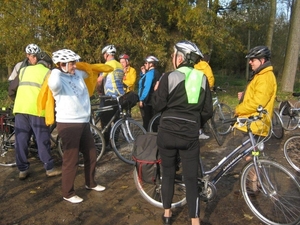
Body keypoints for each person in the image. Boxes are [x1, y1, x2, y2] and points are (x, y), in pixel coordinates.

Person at [152, 40, 213, 225]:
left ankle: (168, 215)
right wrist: (196, 123)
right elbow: (208, 111)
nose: (172, 58)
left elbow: (157, 106)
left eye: (173, 55)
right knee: (191, 178)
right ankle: (195, 220)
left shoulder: (168, 77)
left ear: (180, 57)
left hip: (167, 133)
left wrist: (157, 91)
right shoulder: (202, 78)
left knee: (168, 174)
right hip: (190, 135)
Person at [48, 49, 105, 204]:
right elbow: (53, 82)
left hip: (83, 121)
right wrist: (56, 70)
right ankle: (68, 192)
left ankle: (90, 182)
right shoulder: (58, 80)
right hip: (68, 123)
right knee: (71, 160)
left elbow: (90, 71)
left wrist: (105, 68)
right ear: (62, 64)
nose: (74, 66)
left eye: (74, 62)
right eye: (71, 63)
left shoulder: (77, 74)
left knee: (91, 154)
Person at [9, 51, 61, 180]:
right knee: (42, 139)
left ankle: (22, 170)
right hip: (38, 110)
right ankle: (49, 168)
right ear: (48, 65)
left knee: (21, 140)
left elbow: (11, 89)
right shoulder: (48, 73)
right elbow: (53, 94)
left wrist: (17, 100)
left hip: (21, 109)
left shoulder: (23, 70)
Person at [235, 45, 277, 137]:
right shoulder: (260, 75)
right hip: (252, 122)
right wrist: (244, 95)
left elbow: (258, 103)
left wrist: (239, 109)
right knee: (249, 150)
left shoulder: (265, 77)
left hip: (257, 123)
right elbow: (257, 94)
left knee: (249, 150)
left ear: (262, 60)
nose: (250, 62)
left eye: (253, 60)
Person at [194, 53, 215, 140]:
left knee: (197, 110)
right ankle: (200, 132)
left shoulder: (195, 66)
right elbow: (210, 78)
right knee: (205, 111)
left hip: (195, 90)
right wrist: (210, 88)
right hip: (204, 90)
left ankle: (198, 129)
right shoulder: (206, 66)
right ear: (208, 61)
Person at [138, 55, 161, 130]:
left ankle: (147, 138)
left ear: (151, 64)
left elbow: (146, 87)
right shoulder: (155, 73)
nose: (144, 64)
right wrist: (143, 74)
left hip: (148, 101)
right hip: (154, 100)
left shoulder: (150, 73)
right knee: (153, 122)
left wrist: (142, 99)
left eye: (146, 63)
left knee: (147, 122)